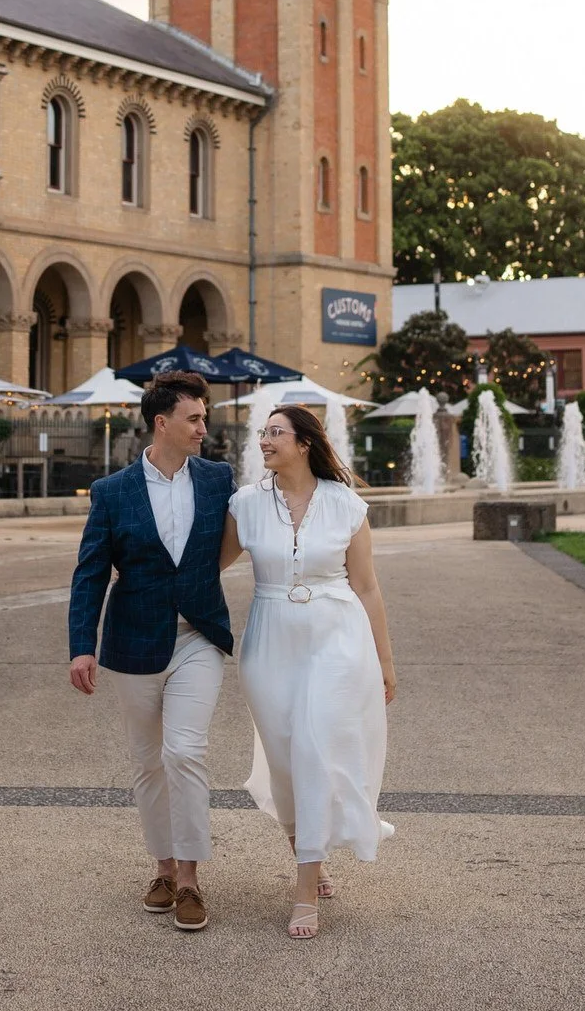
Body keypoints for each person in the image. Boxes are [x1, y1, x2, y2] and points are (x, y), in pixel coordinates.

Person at [221, 403, 396, 942]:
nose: (264, 441)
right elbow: (207, 568)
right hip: (269, 641)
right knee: (284, 762)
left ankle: (303, 893)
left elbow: (366, 586)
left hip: (337, 638)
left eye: (275, 433)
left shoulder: (346, 504)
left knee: (315, 750)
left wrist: (385, 662)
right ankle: (309, 850)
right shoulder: (245, 505)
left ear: (303, 443)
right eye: (262, 433)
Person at [67, 370, 234, 933]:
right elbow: (90, 573)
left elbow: (256, 526)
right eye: (194, 418)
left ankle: (188, 878)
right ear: (161, 423)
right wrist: (80, 647)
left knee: (184, 751)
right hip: (134, 640)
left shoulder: (218, 479)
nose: (203, 428)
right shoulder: (111, 492)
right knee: (147, 761)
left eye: (204, 417)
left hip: (199, 638)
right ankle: (161, 868)